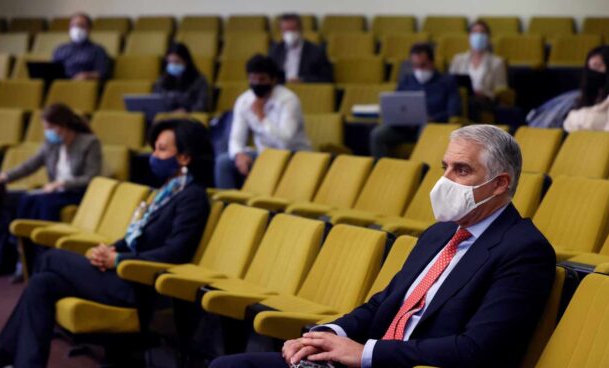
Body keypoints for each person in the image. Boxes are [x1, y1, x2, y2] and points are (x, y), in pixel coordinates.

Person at [210, 125, 556, 368]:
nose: (445, 180)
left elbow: (477, 350)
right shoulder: (440, 233)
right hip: (365, 360)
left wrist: (364, 354)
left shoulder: (524, 250)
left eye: (461, 170)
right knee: (227, 366)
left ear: (500, 184)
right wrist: (327, 334)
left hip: (400, 363)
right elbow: (385, 304)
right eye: (444, 167)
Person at [0, 119, 213, 368]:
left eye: (162, 149)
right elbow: (138, 236)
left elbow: (176, 251)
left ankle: (0, 360)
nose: (154, 156)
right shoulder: (169, 191)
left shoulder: (193, 197)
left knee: (50, 258)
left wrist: (119, 260)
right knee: (42, 284)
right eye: (154, 148)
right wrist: (112, 249)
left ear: (185, 158)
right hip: (124, 274)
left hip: (141, 284)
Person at [0, 103, 102, 222]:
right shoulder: (51, 144)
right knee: (21, 199)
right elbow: (30, 165)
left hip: (77, 193)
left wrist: (62, 183)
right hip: (56, 192)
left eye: (49, 128)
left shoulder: (90, 143)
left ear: (63, 125)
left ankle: (44, 238)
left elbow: (91, 177)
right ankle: (19, 238)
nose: (47, 132)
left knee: (44, 202)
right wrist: (4, 177)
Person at [214, 54, 311, 189]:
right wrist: (238, 154)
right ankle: (228, 205)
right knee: (223, 163)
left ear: (272, 80)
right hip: (264, 153)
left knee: (271, 162)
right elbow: (236, 137)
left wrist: (262, 117)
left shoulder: (288, 100)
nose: (257, 84)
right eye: (253, 79)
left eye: (262, 79)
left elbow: (285, 142)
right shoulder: (244, 101)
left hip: (293, 154)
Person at [370, 43, 461, 159]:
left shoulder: (447, 82)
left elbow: (454, 111)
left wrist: (433, 118)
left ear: (432, 63)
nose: (419, 70)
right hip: (404, 128)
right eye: (415, 66)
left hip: (432, 127)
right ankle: (382, 169)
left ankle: (420, 172)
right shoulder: (407, 81)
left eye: (423, 65)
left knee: (425, 130)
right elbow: (397, 105)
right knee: (378, 134)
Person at [563, 45, 609, 132]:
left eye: (597, 66)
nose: (591, 72)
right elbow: (567, 125)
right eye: (589, 68)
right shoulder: (589, 97)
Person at [449, 20, 508, 121]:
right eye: (475, 32)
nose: (479, 35)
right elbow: (449, 83)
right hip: (461, 98)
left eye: (482, 32)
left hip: (485, 100)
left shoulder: (497, 62)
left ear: (488, 37)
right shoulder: (458, 59)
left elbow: (501, 90)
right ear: (469, 36)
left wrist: (484, 93)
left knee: (470, 103)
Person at [268, 13, 333, 83]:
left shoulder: (316, 51)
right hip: (281, 88)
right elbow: (269, 74)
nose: (290, 33)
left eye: (293, 29)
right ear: (281, 31)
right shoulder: (275, 50)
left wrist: (302, 80)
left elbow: (326, 78)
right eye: (286, 30)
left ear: (300, 30)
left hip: (305, 88)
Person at [153, 42, 211, 113]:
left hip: (190, 119)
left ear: (186, 61)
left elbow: (202, 105)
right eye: (170, 62)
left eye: (177, 62)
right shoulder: (161, 81)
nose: (173, 65)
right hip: (166, 119)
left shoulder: (199, 80)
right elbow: (155, 103)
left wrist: (187, 111)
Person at [52, 12, 110, 80]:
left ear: (89, 29)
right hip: (62, 84)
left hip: (83, 85)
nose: (76, 29)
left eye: (81, 26)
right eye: (73, 26)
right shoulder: (60, 49)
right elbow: (53, 71)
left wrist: (87, 76)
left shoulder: (97, 50)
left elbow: (102, 73)